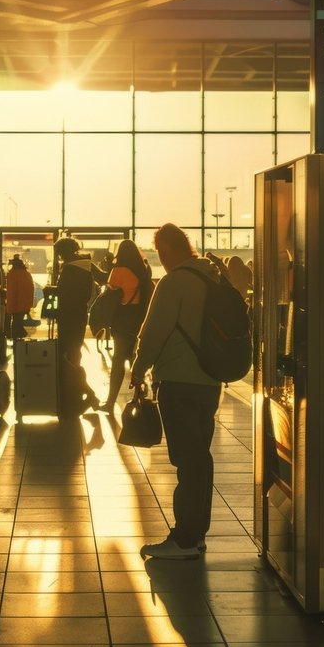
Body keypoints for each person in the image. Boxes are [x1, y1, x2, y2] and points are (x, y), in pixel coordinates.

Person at [132, 224, 223, 560]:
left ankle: (185, 538)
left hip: (179, 381)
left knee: (187, 459)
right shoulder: (212, 277)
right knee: (199, 457)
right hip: (210, 381)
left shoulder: (174, 282)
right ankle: (196, 534)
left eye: (160, 252)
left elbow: (154, 331)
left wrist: (138, 369)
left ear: (167, 249)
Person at [52, 237, 105, 414]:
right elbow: (105, 278)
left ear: (64, 252)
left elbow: (64, 292)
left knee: (65, 356)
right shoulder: (87, 264)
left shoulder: (68, 268)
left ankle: (86, 393)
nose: (59, 257)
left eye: (59, 253)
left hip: (67, 316)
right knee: (74, 354)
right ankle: (78, 393)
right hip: (80, 314)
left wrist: (51, 290)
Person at [103, 240, 153, 409]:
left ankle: (110, 402)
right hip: (140, 318)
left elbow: (109, 294)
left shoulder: (118, 270)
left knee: (118, 361)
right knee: (135, 359)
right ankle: (140, 395)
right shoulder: (144, 271)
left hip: (123, 318)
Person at [4, 255, 34, 340]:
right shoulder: (26, 274)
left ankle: (16, 338)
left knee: (15, 323)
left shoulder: (11, 274)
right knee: (18, 322)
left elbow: (11, 291)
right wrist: (29, 303)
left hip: (14, 303)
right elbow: (31, 289)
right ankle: (18, 338)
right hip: (24, 303)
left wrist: (9, 304)